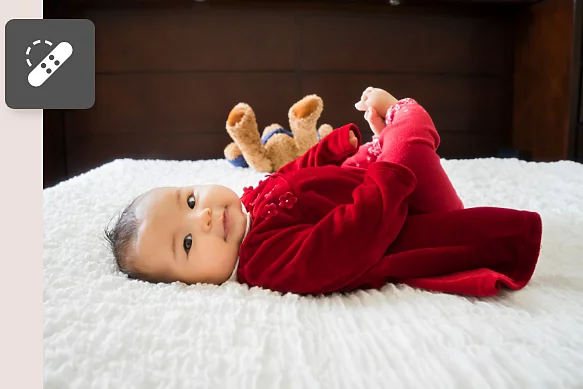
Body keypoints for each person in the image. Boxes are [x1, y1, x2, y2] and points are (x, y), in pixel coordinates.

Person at [104, 87, 543, 297]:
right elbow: (348, 239)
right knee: (405, 142)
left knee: (372, 156)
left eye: (190, 200)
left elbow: (293, 176)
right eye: (186, 243)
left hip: (373, 187)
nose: (201, 218)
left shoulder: (249, 204)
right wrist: (388, 171)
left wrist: (333, 149)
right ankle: (405, 123)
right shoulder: (266, 263)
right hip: (411, 217)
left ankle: (380, 146)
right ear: (190, 285)